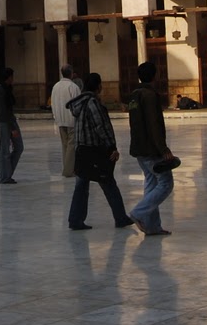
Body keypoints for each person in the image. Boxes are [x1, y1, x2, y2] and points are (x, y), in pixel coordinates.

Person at [65, 72, 136, 231]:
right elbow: (101, 126)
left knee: (82, 185)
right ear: (98, 86)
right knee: (108, 182)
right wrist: (111, 146)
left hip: (82, 149)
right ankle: (120, 217)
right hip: (94, 150)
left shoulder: (79, 103)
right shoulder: (91, 103)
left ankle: (75, 219)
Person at [127, 60, 174, 236]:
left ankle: (152, 226)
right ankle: (139, 213)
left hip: (139, 147)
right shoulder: (149, 95)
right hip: (151, 149)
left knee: (151, 182)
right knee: (166, 183)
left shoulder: (134, 95)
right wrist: (163, 149)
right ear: (154, 75)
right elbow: (154, 124)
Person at [50, 65, 82, 179]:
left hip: (60, 120)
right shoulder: (73, 87)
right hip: (72, 120)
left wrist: (56, 117)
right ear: (71, 73)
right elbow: (78, 104)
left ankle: (67, 167)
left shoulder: (55, 86)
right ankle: (69, 171)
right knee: (71, 145)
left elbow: (53, 103)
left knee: (65, 145)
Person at [0, 67, 22, 184]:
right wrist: (12, 128)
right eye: (12, 77)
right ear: (8, 77)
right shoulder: (0, 89)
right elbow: (2, 110)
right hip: (4, 122)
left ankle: (7, 172)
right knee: (4, 150)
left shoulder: (8, 88)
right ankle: (5, 177)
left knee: (19, 147)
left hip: (10, 120)